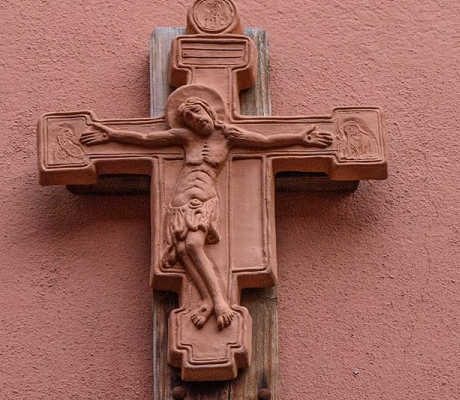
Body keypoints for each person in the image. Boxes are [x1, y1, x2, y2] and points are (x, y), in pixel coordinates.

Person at [80, 96, 332, 330]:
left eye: (198, 112)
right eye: (189, 118)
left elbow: (265, 141)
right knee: (182, 251)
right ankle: (207, 301)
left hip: (203, 200)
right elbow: (146, 139)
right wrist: (111, 134)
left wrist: (300, 138)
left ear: (210, 111)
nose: (196, 120)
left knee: (193, 245)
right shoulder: (185, 137)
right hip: (180, 202)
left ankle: (220, 302)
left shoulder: (228, 136)